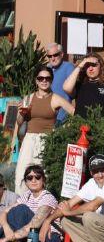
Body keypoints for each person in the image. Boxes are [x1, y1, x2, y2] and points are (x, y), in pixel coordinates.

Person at [40, 155, 104, 242]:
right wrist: (48, 220)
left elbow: (93, 206)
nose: (100, 175)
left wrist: (69, 212)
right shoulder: (92, 183)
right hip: (103, 231)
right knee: (65, 220)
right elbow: (68, 204)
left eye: (103, 170)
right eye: (96, 171)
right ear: (91, 173)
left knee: (89, 217)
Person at [14, 65, 75, 195]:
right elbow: (19, 122)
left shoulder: (56, 98)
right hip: (29, 139)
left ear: (51, 80)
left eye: (47, 78)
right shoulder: (28, 98)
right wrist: (22, 114)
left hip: (46, 140)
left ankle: (43, 203)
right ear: (36, 80)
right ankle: (22, 203)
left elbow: (75, 114)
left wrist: (62, 129)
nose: (44, 81)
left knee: (43, 175)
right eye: (40, 78)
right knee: (22, 173)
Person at [0, 165, 62, 242]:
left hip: (48, 241)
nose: (33, 180)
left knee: (21, 209)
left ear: (43, 180)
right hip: (30, 240)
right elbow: (4, 212)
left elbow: (33, 226)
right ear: (26, 182)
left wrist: (6, 239)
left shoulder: (47, 198)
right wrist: (6, 228)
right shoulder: (27, 195)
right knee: (12, 213)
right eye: (29, 178)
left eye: (37, 177)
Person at [46, 42, 75, 125]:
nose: (52, 58)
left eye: (55, 55)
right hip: (47, 115)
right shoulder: (47, 68)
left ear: (62, 54)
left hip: (62, 117)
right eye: (49, 56)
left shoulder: (68, 67)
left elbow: (72, 92)